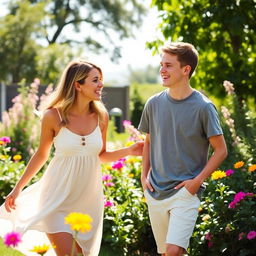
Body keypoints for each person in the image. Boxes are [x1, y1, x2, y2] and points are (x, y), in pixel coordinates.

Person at [0, 60, 144, 256]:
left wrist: (130, 150)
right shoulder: (53, 116)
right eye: (95, 80)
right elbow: (41, 155)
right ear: (78, 85)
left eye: (101, 80)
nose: (101, 84)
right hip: (56, 197)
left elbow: (101, 155)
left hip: (88, 200)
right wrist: (17, 188)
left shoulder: (101, 115)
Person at [138, 42, 227, 256]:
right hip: (155, 191)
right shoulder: (153, 104)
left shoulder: (204, 107)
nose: (162, 70)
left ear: (186, 69)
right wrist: (143, 176)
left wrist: (196, 182)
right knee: (167, 252)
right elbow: (149, 141)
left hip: (185, 191)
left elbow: (221, 150)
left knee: (173, 251)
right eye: (161, 64)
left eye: (168, 65)